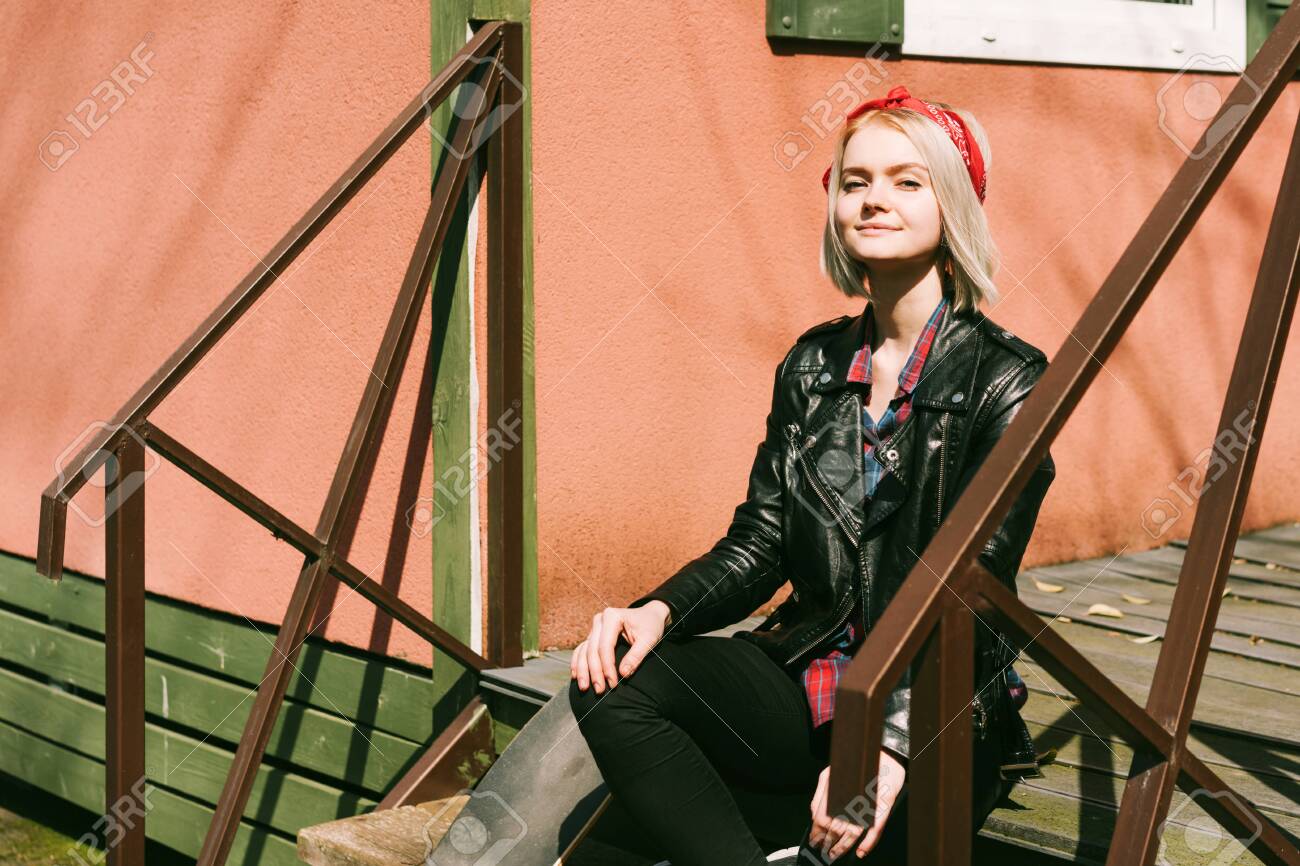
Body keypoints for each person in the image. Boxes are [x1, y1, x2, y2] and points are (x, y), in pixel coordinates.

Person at [567, 84, 1055, 865]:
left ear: (952, 204)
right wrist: (661, 608)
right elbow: (760, 540)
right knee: (615, 684)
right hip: (812, 677)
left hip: (928, 706)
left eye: (906, 180)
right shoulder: (813, 365)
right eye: (855, 182)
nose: (872, 200)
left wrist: (886, 747)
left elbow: (974, 597)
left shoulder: (1007, 381)